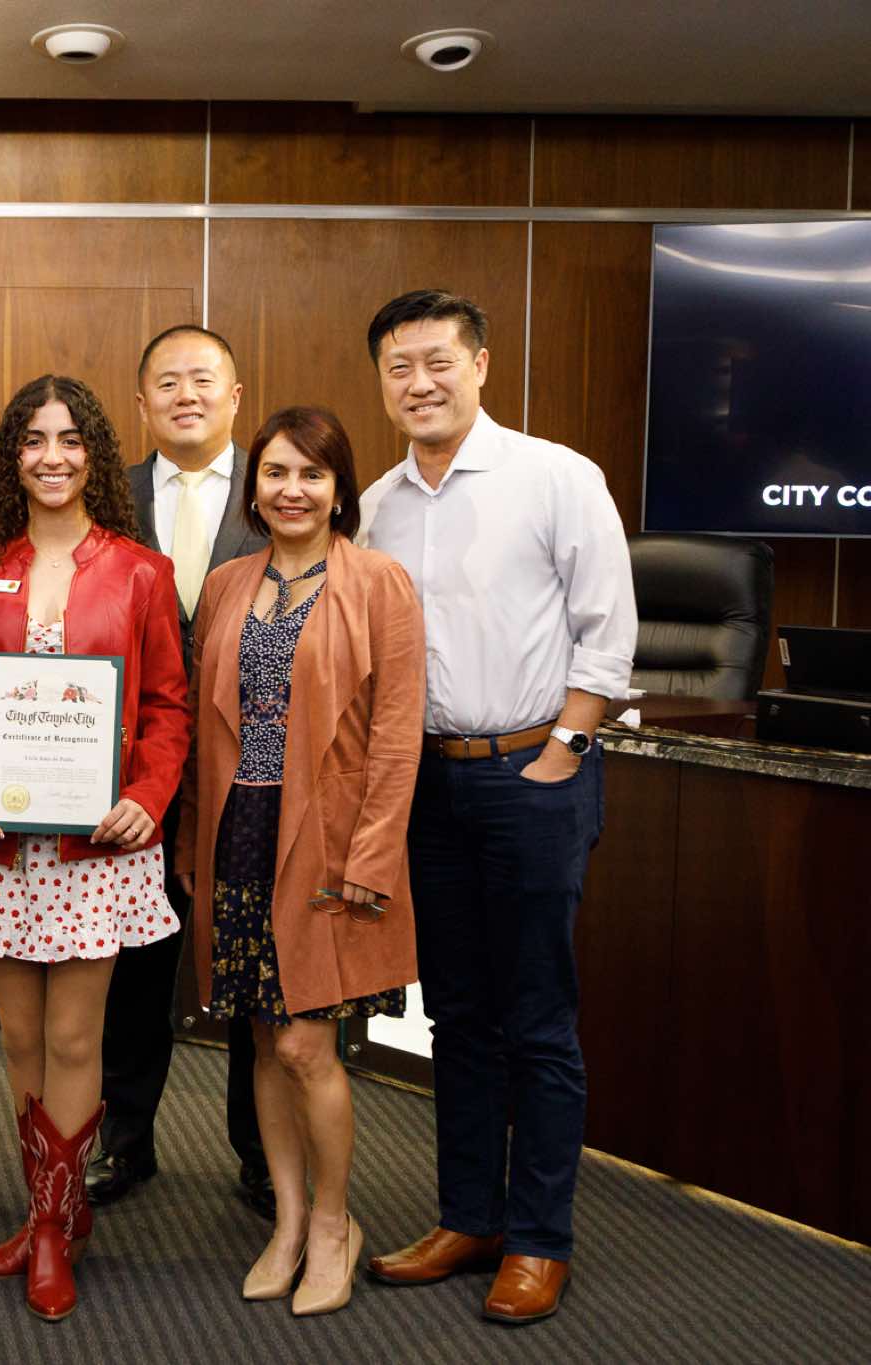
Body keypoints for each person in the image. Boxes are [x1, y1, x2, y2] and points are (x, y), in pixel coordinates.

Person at [357, 290, 635, 1326]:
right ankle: (467, 1217)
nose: (419, 382)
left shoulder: (555, 477)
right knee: (456, 1017)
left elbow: (608, 632)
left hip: (532, 775)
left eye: (437, 360)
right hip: (427, 785)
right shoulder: (377, 504)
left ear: (479, 364)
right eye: (399, 367)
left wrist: (563, 752)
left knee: (537, 1020)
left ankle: (538, 1239)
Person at [0, 375, 191, 1322]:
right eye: (33, 440)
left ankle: (51, 1230)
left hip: (96, 847)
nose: (52, 456)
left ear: (94, 455)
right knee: (22, 1038)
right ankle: (52, 1215)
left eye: (71, 439)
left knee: (77, 1037)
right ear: (11, 457)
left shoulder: (141, 571)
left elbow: (166, 707)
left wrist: (146, 796)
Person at [181, 406, 424, 1316]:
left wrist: (375, 850)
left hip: (327, 839)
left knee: (306, 1044)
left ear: (339, 488)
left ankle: (333, 1223)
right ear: (254, 489)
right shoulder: (227, 585)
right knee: (259, 1038)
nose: (292, 490)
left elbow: (397, 731)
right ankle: (285, 1223)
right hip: (237, 832)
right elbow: (204, 731)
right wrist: (190, 842)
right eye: (276, 473)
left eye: (312, 474)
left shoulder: (379, 582)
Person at [92, 324, 274, 1218]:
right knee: (133, 965)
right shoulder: (106, 499)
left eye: (204, 380)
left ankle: (260, 1150)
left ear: (235, 396)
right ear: (142, 402)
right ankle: (124, 1138)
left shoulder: (281, 491)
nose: (186, 395)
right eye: (167, 382)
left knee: (250, 961)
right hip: (133, 775)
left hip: (255, 771)